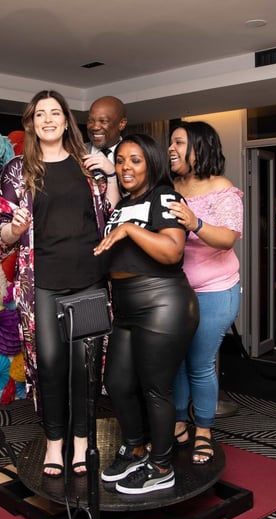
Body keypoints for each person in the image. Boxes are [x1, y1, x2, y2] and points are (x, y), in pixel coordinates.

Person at [0, 90, 113, 478]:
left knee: (85, 368)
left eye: (55, 112)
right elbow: (0, 234)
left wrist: (110, 175)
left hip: (90, 281)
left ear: (65, 120)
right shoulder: (17, 170)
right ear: (31, 122)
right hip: (42, 285)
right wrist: (15, 228)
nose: (47, 119)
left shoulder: (87, 163)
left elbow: (112, 214)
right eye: (40, 113)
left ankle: (82, 443)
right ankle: (55, 444)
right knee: (50, 366)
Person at [93, 133, 199, 494]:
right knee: (118, 382)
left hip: (162, 301)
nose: (125, 167)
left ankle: (162, 465)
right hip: (125, 305)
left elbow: (171, 251)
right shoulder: (123, 204)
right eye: (121, 160)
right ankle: (135, 448)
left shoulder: (165, 196)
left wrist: (128, 230)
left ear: (151, 163)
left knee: (156, 389)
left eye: (135, 160)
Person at [165, 121, 242, 465]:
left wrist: (194, 221)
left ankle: (204, 431)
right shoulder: (170, 186)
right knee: (177, 361)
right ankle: (179, 423)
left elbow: (227, 238)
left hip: (216, 290)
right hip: (177, 290)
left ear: (200, 147)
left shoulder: (221, 188)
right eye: (170, 142)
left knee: (199, 362)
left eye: (179, 142)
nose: (171, 149)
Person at [82, 95, 128, 206]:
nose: (95, 127)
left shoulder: (137, 156)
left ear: (121, 124)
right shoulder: (76, 153)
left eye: (103, 121)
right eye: (91, 121)